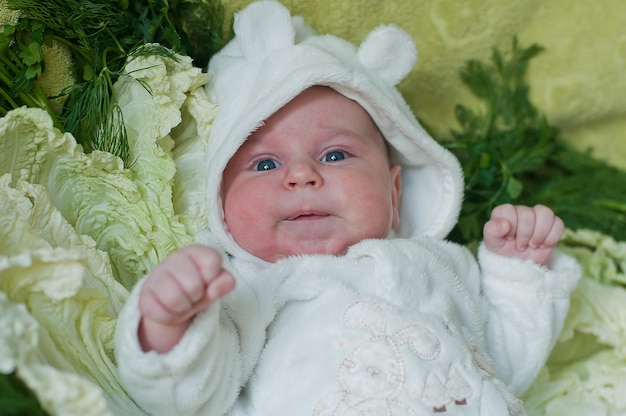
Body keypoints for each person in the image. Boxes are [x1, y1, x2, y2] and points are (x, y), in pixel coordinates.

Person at [115, 1, 581, 415]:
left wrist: (516, 274)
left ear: (395, 195)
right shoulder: (243, 288)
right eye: (264, 163)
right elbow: (190, 396)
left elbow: (503, 364)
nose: (301, 176)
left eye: (335, 155)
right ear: (219, 200)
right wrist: (170, 323)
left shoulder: (440, 266)